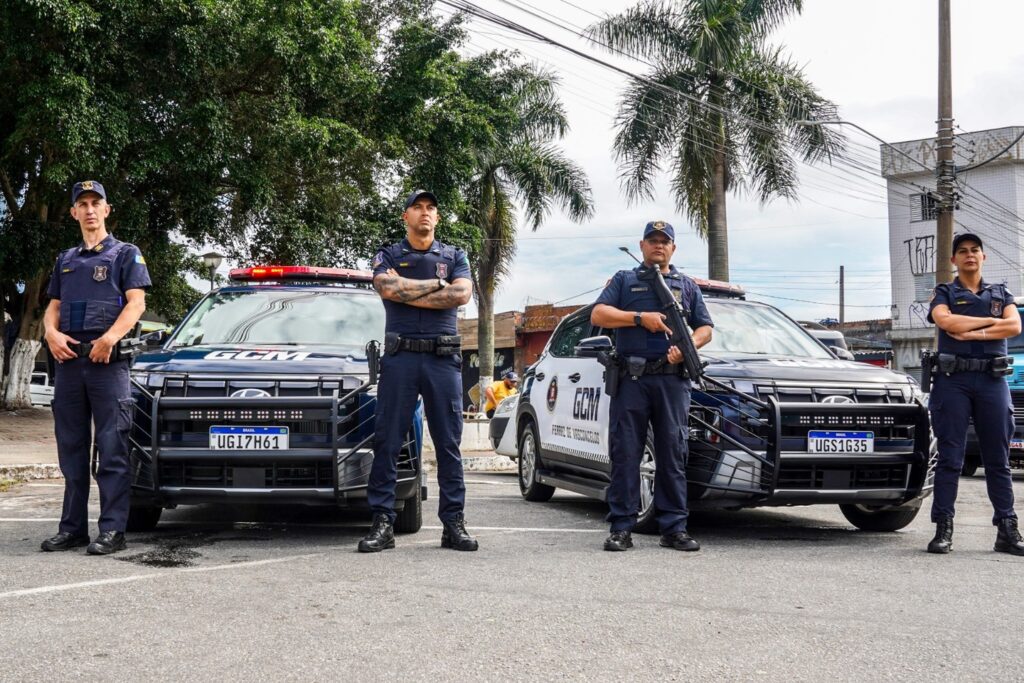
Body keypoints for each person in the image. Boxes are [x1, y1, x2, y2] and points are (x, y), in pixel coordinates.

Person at [358, 189, 478, 553]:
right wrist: (438, 286)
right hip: (401, 358)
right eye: (417, 208)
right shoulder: (389, 254)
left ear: (437, 218)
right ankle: (383, 523)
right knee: (388, 442)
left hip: (443, 360)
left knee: (448, 445)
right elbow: (386, 287)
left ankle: (453, 524)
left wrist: (411, 290)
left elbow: (461, 296)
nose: (425, 213)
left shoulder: (454, 255)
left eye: (431, 208)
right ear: (405, 217)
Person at [41, 180, 151, 556]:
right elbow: (53, 306)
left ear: (106, 210)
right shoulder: (66, 260)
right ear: (74, 212)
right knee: (71, 449)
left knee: (111, 448)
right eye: (82, 204)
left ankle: (113, 530)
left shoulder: (125, 254)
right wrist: (50, 334)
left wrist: (109, 339)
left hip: (108, 365)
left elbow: (136, 304)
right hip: (70, 365)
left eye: (95, 203)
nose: (89, 209)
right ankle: (72, 529)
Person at [591, 221, 713, 552]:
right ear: (642, 245)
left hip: (672, 380)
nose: (658, 246)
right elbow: (599, 315)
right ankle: (621, 527)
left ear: (673, 248)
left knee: (673, 453)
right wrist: (638, 318)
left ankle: (674, 528)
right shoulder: (624, 280)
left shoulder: (686, 286)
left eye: (665, 241)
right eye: (652, 240)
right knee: (626, 453)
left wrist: (686, 346)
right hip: (632, 379)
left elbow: (706, 328)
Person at [926, 232, 1024, 555]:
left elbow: (1013, 327)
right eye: (963, 251)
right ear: (953, 260)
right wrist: (990, 322)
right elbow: (944, 321)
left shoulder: (1001, 292)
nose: (970, 255)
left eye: (975, 251)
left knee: (998, 459)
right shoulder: (945, 292)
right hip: (953, 381)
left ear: (984, 257)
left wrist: (970, 328)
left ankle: (1007, 530)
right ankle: (944, 529)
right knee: (951, 457)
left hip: (993, 382)